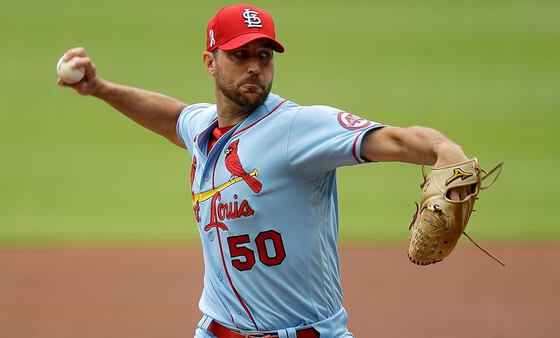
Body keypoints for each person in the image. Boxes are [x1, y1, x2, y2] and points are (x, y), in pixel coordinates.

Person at [58, 4, 470, 337]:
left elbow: (397, 140)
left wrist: (443, 149)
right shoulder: (203, 126)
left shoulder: (298, 128)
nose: (254, 66)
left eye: (264, 55)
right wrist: (100, 88)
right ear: (210, 61)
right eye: (240, 55)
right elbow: (172, 118)